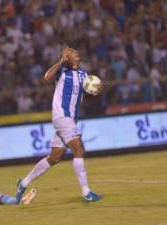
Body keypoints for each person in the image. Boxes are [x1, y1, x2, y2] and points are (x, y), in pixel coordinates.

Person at [15, 47, 103, 202]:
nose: (77, 53)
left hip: (70, 119)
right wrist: (61, 61)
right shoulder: (61, 72)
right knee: (79, 149)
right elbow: (47, 78)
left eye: (76, 52)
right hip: (62, 116)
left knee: (54, 157)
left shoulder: (84, 75)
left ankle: (23, 183)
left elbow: (93, 90)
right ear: (67, 58)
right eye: (72, 53)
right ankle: (86, 193)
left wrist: (97, 89)